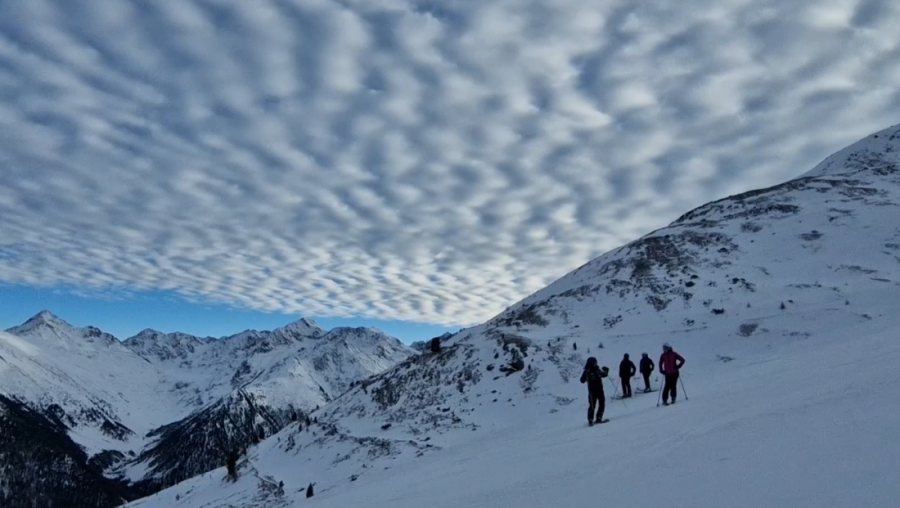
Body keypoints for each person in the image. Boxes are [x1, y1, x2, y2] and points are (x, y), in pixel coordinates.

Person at [580, 357, 609, 425]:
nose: (596, 364)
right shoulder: (587, 371)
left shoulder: (597, 370)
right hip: (592, 391)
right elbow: (582, 380)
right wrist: (586, 374)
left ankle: (599, 417)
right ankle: (590, 419)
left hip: (600, 390)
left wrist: (606, 370)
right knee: (592, 405)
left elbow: (604, 375)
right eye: (595, 363)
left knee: (602, 403)